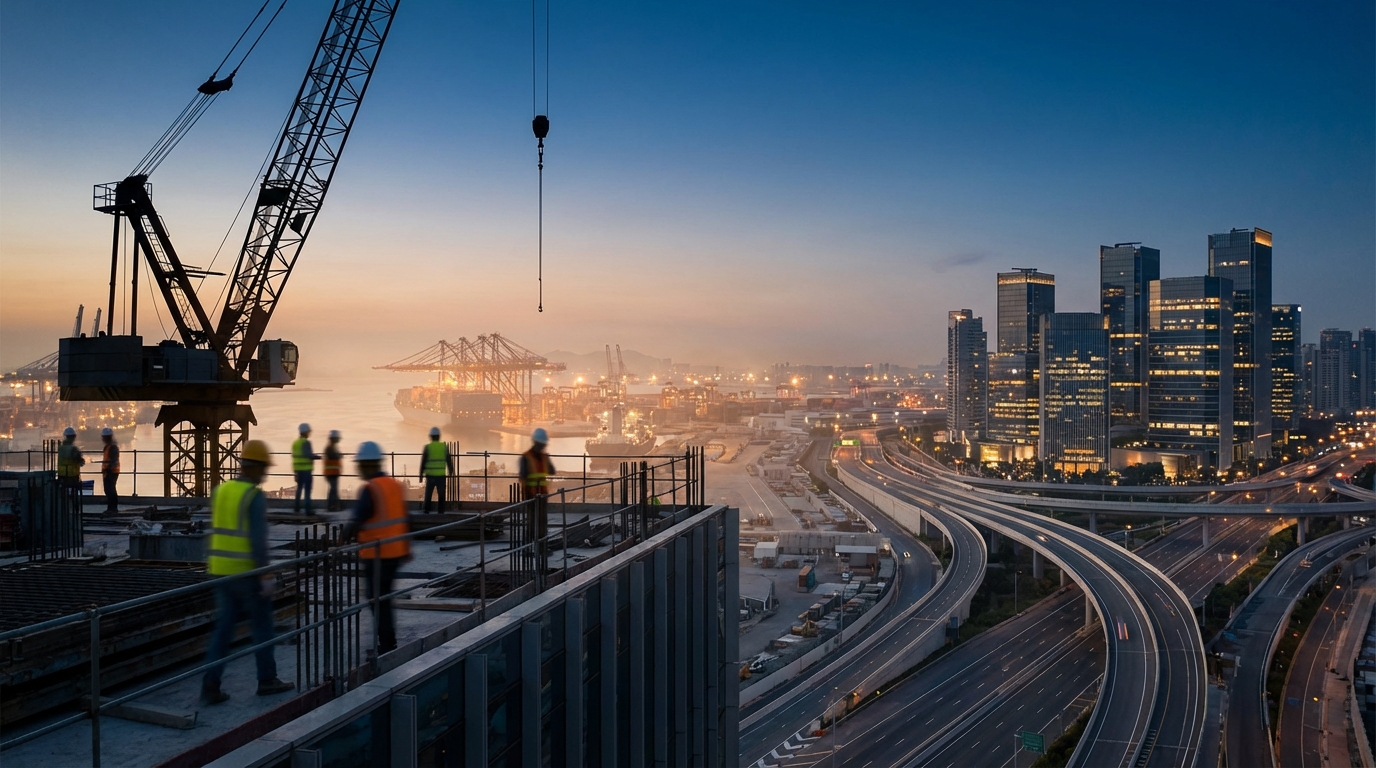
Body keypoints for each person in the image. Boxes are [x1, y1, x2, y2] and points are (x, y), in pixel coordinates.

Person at [201, 439, 294, 704]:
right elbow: (257, 540)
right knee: (262, 624)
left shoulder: (220, 490)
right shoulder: (253, 496)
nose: (265, 474)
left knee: (224, 629)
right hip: (246, 573)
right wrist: (266, 576)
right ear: (256, 468)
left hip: (220, 571)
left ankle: (210, 684)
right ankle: (267, 680)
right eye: (264, 468)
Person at [345, 441, 411, 654]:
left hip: (377, 555)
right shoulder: (394, 485)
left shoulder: (370, 489)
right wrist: (407, 547)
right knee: (384, 599)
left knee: (377, 600)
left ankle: (386, 645)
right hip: (395, 553)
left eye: (360, 465)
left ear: (367, 465)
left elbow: (357, 519)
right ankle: (388, 642)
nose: (358, 469)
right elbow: (406, 518)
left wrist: (342, 538)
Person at [419, 427, 454, 514]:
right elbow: (449, 460)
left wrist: (421, 475)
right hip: (441, 475)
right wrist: (451, 471)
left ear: (430, 436)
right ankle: (441, 511)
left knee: (428, 494)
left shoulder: (427, 447)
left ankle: (426, 509)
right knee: (441, 495)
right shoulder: (444, 447)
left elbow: (423, 462)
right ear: (439, 436)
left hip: (430, 475)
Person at [291, 423, 320, 515]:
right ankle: (308, 510)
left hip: (297, 470)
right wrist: (317, 457)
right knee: (307, 491)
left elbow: (295, 457)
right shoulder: (306, 443)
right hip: (306, 470)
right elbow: (308, 455)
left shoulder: (295, 443)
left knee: (299, 489)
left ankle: (296, 508)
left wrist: (295, 471)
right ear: (306, 432)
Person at [518, 427, 555, 501]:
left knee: (540, 512)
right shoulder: (526, 457)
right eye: (542, 444)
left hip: (542, 494)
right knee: (533, 512)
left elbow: (552, 471)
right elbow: (523, 477)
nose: (544, 446)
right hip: (531, 494)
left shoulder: (543, 457)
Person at [57, 427, 85, 512]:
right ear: (74, 437)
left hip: (61, 474)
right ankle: (75, 509)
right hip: (72, 474)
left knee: (63, 492)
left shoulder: (60, 448)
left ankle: (63, 508)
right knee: (74, 493)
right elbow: (80, 461)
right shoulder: (73, 449)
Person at [99, 427, 120, 516]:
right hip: (108, 471)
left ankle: (113, 508)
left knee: (110, 489)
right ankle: (111, 508)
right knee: (108, 489)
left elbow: (114, 460)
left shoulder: (112, 447)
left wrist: (109, 467)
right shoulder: (108, 446)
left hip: (112, 471)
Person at [323, 430, 344, 512]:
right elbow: (333, 456)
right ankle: (332, 507)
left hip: (333, 472)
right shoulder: (330, 448)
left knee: (333, 490)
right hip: (331, 472)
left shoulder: (332, 447)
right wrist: (339, 455)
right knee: (333, 490)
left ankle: (334, 506)